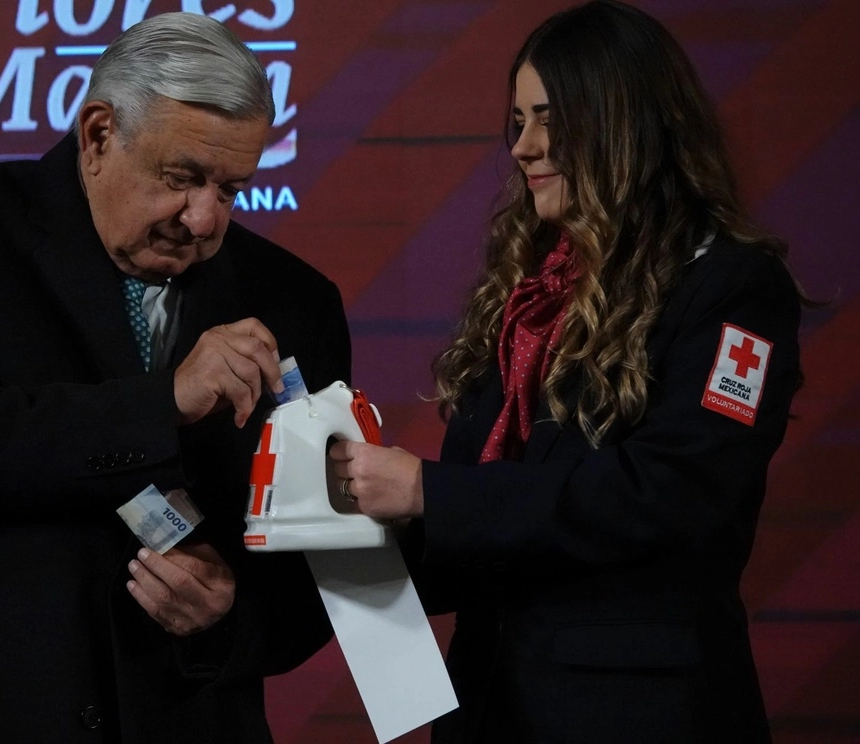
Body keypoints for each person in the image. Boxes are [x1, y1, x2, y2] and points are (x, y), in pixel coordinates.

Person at [0, 12, 349, 744]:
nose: (204, 218)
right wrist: (165, 403)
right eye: (180, 179)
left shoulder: (292, 300)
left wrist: (226, 613)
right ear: (98, 136)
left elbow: (318, 576)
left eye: (232, 188)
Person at [330, 2, 803, 741]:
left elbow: (673, 493)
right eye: (516, 121)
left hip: (639, 717)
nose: (523, 146)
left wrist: (427, 489)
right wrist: (345, 529)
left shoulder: (732, 286)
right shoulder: (529, 294)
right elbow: (488, 524)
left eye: (550, 118)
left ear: (625, 121)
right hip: (489, 707)